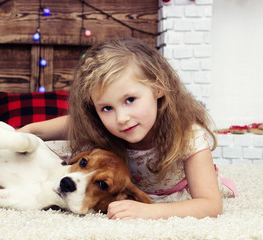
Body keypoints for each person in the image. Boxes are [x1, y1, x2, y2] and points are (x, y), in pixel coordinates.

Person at [18, 38, 235, 220]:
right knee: (50, 151)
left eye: (130, 99)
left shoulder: (188, 136)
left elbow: (210, 205)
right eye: (106, 107)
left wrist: (150, 212)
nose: (121, 118)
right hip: (114, 183)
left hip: (172, 196)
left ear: (158, 88)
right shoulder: (98, 123)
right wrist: (17, 135)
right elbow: (37, 132)